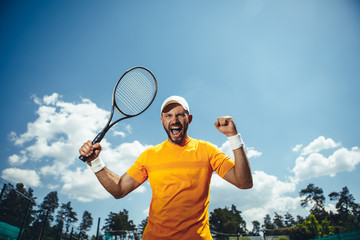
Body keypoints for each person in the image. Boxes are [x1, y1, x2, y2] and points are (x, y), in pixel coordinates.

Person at [79, 95, 253, 240]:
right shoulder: (150, 155)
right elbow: (119, 190)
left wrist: (233, 136)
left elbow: (244, 182)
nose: (174, 120)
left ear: (189, 119)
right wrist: (95, 162)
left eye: (180, 115)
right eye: (168, 115)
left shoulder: (207, 151)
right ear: (162, 120)